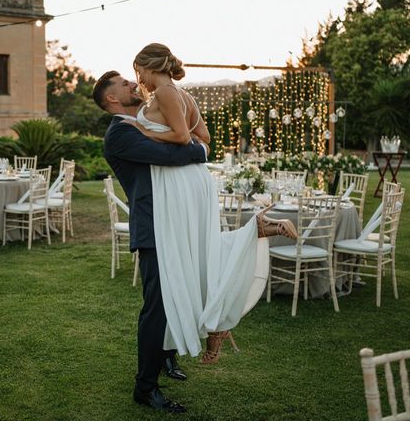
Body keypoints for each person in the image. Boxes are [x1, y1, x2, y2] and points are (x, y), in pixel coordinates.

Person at [126, 43, 297, 362]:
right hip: (194, 179)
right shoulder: (184, 95)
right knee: (198, 254)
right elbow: (202, 139)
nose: (139, 78)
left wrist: (142, 134)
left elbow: (180, 136)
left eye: (139, 71)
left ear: (151, 67)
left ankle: (213, 314)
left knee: (183, 257)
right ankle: (214, 318)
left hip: (177, 182)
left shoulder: (164, 93)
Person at [93, 70, 208, 414]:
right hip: (154, 226)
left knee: (177, 294)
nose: (134, 84)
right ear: (112, 99)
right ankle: (145, 388)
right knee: (156, 306)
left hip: (175, 222)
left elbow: (175, 139)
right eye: (125, 84)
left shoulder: (144, 121)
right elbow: (174, 155)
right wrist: (200, 148)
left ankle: (166, 358)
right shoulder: (119, 134)